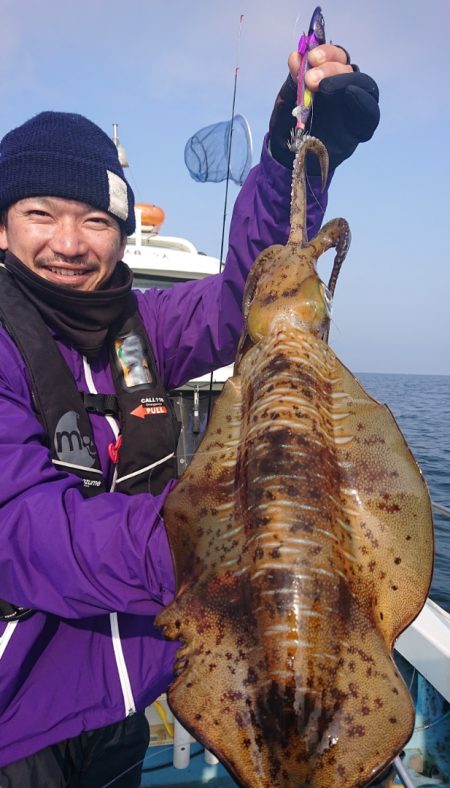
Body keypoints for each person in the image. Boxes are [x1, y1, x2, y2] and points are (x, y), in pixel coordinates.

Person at [0, 44, 379, 787]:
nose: (70, 243)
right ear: (3, 228)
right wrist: (215, 533)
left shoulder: (132, 336)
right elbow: (19, 525)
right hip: (18, 724)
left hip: (120, 706)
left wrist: (288, 157)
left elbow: (254, 289)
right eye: (40, 214)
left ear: (119, 234)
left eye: (95, 220)